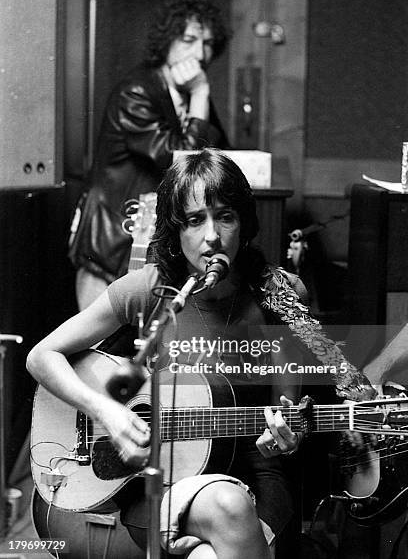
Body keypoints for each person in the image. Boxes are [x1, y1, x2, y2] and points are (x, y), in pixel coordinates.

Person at [28, 150, 374, 558]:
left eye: (225, 216)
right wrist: (108, 412)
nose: (212, 235)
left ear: (243, 223)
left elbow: (287, 413)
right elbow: (41, 356)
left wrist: (285, 437)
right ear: (176, 230)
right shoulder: (148, 289)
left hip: (256, 477)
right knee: (228, 506)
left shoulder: (278, 294)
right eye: (195, 220)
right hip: (160, 484)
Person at [68, 0, 231, 310]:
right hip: (112, 240)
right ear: (166, 42)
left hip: (153, 238)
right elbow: (184, 160)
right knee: (102, 346)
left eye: (208, 44)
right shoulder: (138, 91)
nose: (200, 54)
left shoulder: (193, 96)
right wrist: (200, 92)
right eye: (188, 40)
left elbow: (221, 158)